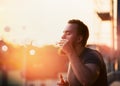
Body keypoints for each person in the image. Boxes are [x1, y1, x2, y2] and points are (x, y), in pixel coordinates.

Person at [57, 19, 108, 86]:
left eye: (68, 33)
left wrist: (70, 52)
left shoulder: (92, 56)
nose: (62, 37)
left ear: (79, 39)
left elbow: (87, 81)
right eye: (63, 33)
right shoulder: (73, 58)